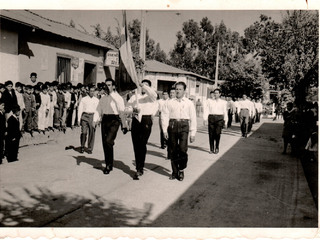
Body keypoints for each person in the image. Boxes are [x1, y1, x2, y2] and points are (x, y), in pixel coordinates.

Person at [162, 81, 197, 181]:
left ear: (184, 91)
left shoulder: (189, 103)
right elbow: (164, 116)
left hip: (184, 125)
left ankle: (181, 169)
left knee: (182, 149)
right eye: (176, 89)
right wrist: (164, 131)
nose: (178, 91)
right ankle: (174, 171)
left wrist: (193, 133)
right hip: (172, 125)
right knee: (172, 150)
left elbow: (193, 118)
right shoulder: (169, 102)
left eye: (180, 89)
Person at [125, 79, 157, 180]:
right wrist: (133, 110)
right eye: (142, 85)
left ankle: (140, 167)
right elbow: (126, 108)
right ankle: (139, 168)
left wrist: (144, 86)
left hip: (146, 120)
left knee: (142, 144)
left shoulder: (151, 97)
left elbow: (152, 93)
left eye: (146, 85)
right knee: (136, 144)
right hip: (136, 120)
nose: (143, 87)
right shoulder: (135, 97)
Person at [96, 78, 127, 174]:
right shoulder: (103, 98)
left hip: (114, 120)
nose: (106, 87)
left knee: (108, 141)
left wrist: (124, 124)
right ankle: (108, 164)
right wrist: (96, 120)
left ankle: (109, 165)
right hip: (105, 120)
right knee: (105, 143)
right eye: (106, 85)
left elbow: (122, 111)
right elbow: (98, 110)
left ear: (113, 86)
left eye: (109, 85)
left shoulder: (118, 98)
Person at [203, 89, 228, 154]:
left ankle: (217, 147)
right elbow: (207, 110)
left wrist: (226, 121)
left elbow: (225, 112)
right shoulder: (209, 101)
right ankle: (211, 148)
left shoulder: (223, 102)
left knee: (217, 133)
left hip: (219, 118)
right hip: (211, 118)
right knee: (211, 134)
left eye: (217, 93)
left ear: (220, 94)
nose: (215, 94)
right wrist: (205, 119)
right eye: (214, 93)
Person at [77, 84, 99, 154]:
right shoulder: (84, 99)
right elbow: (80, 109)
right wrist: (78, 119)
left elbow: (97, 111)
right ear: (88, 91)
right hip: (85, 116)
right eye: (91, 91)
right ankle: (82, 146)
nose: (92, 92)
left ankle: (90, 148)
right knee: (84, 132)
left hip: (92, 116)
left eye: (93, 91)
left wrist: (96, 120)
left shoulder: (96, 100)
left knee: (92, 133)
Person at [0, 100, 5, 164]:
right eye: (2, 105)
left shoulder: (2, 113)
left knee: (1, 144)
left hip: (2, 132)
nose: (3, 106)